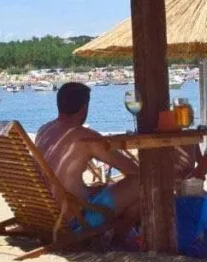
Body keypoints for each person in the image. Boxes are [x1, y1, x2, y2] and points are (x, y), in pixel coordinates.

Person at [34, 82, 140, 228]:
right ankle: (118, 237)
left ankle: (116, 235)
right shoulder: (85, 137)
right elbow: (133, 170)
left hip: (48, 215)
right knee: (141, 182)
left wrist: (92, 189)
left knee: (107, 188)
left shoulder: (43, 131)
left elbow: (62, 183)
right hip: (75, 221)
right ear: (84, 108)